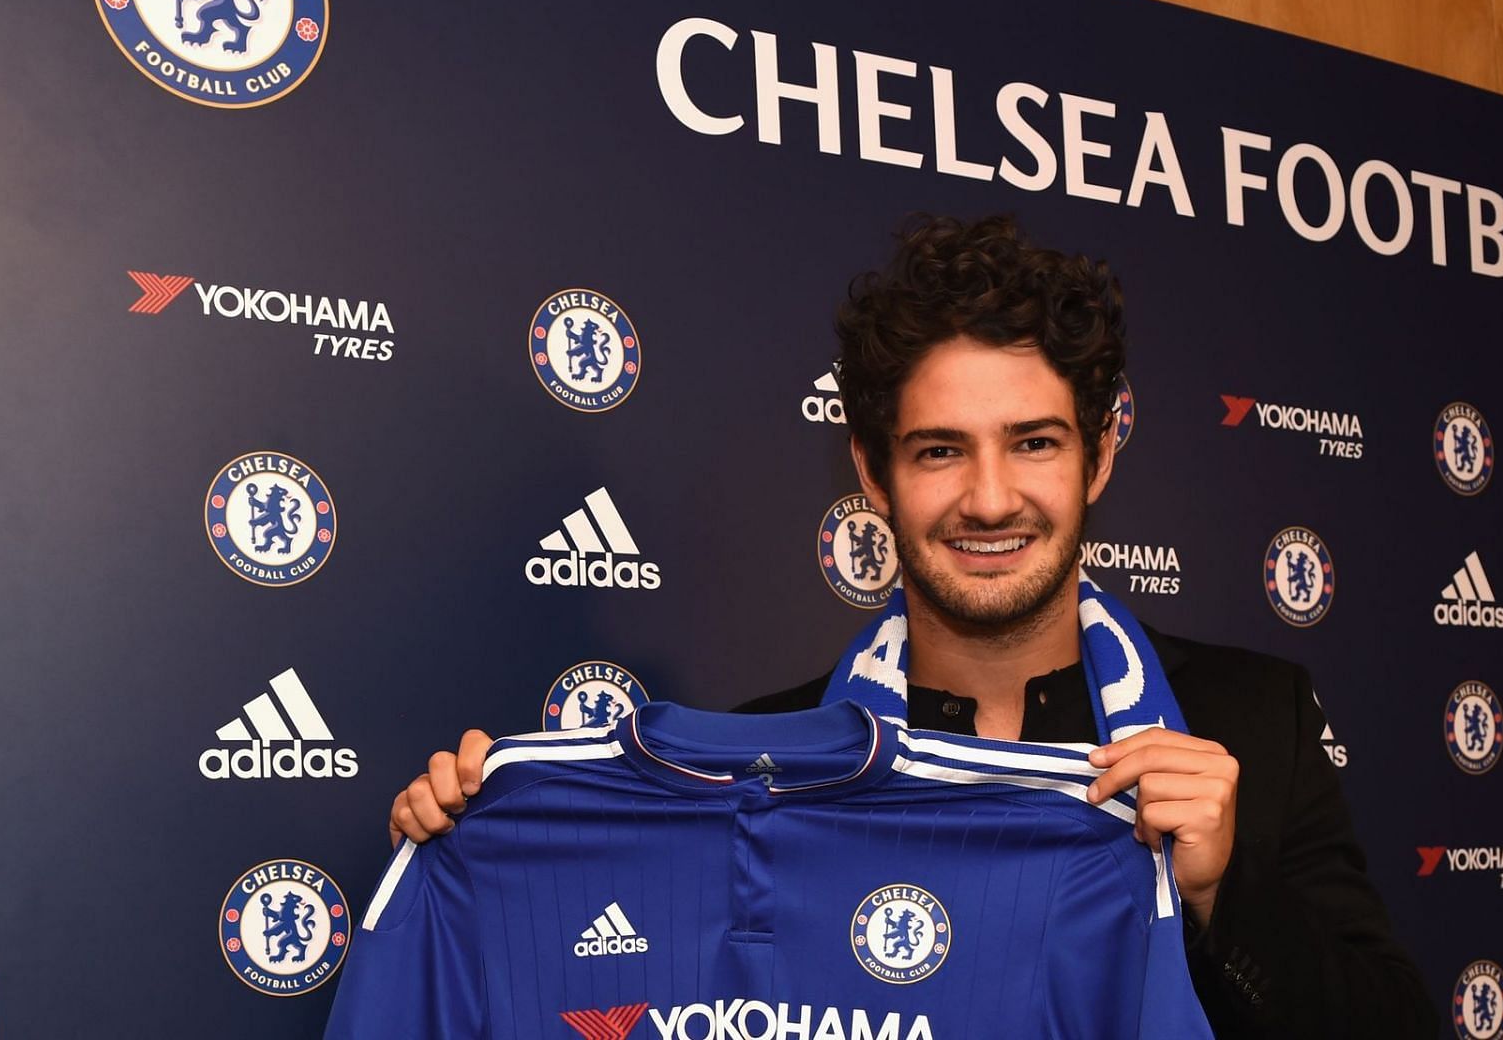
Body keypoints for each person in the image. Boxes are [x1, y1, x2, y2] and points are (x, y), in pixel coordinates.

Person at [389, 215, 1437, 1037]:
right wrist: (478, 834)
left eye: (1033, 443)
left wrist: (1221, 892)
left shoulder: (1253, 721)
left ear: (1099, 458)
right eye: (940, 450)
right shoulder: (763, 764)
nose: (989, 499)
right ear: (872, 471)